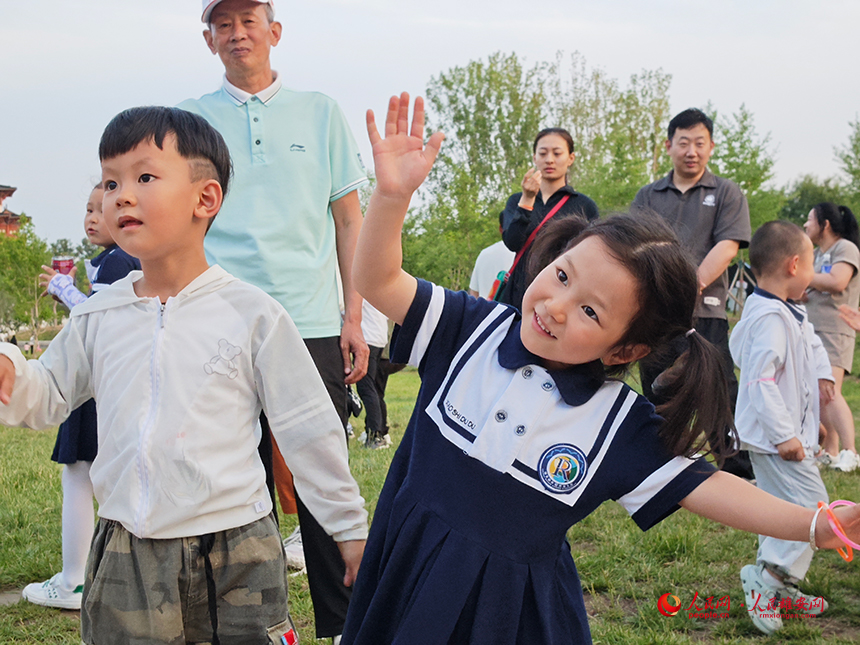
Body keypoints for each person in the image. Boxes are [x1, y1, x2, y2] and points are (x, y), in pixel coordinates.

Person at [339, 92, 860, 645]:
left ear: (624, 351)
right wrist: (391, 198)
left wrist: (811, 524)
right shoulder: (470, 328)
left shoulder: (614, 423)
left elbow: (708, 490)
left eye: (591, 311)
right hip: (407, 567)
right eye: (563, 276)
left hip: (505, 614)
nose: (555, 306)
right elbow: (377, 280)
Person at [0, 106, 367, 644]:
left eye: (144, 176)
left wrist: (348, 528)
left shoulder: (253, 314)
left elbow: (308, 427)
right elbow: (49, 394)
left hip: (238, 548)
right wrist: (11, 371)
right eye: (110, 181)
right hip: (127, 549)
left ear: (205, 198)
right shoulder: (97, 315)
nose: (120, 195)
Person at [178, 3, 369, 637]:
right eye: (223, 23)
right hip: (219, 317)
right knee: (230, 478)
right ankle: (250, 625)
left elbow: (348, 220)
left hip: (310, 319)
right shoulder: (190, 121)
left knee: (321, 472)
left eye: (249, 20)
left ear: (273, 31)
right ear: (209, 39)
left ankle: (340, 624)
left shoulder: (320, 112)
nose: (237, 33)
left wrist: (354, 314)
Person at [20, 184, 140, 611]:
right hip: (108, 386)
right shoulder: (117, 261)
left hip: (91, 386)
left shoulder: (118, 261)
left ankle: (74, 580)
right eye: (88, 209)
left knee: (77, 475)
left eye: (100, 207)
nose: (92, 217)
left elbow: (100, 319)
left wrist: (66, 291)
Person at [632, 107, 753, 480]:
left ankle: (734, 464)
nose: (691, 151)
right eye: (683, 142)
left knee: (718, 383)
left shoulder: (726, 192)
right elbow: (636, 246)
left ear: (711, 147)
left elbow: (728, 246)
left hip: (708, 309)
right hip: (657, 309)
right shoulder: (649, 194)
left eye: (699, 143)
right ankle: (662, 463)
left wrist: (690, 285)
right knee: (656, 383)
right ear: (669, 146)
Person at [730, 221, 835, 635]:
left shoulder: (786, 311)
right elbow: (759, 380)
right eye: (812, 263)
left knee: (781, 511)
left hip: (786, 437)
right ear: (795, 265)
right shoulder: (770, 317)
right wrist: (785, 436)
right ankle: (767, 581)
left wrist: (811, 424)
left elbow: (807, 357)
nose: (813, 272)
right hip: (776, 441)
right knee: (814, 510)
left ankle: (782, 585)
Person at [497, 127, 598, 309]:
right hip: (516, 295)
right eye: (542, 153)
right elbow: (512, 242)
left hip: (558, 298)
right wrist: (527, 199)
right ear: (535, 158)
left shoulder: (584, 206)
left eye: (557, 153)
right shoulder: (516, 201)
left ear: (570, 158)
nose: (549, 159)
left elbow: (590, 258)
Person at [803, 202, 860, 473]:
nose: (805, 225)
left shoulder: (844, 248)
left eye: (810, 220)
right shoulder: (814, 254)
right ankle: (832, 452)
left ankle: (851, 451)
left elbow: (837, 281)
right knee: (819, 393)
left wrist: (804, 277)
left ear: (825, 225)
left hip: (835, 329)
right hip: (812, 330)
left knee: (830, 391)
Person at [356, 300, 392, 449]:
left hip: (368, 338)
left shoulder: (361, 286)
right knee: (375, 390)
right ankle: (381, 432)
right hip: (378, 338)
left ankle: (374, 435)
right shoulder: (375, 285)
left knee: (366, 388)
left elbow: (349, 309)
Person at [469, 212, 515, 299]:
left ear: (500, 228)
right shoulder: (526, 255)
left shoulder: (484, 254)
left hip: (485, 311)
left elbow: (474, 294)